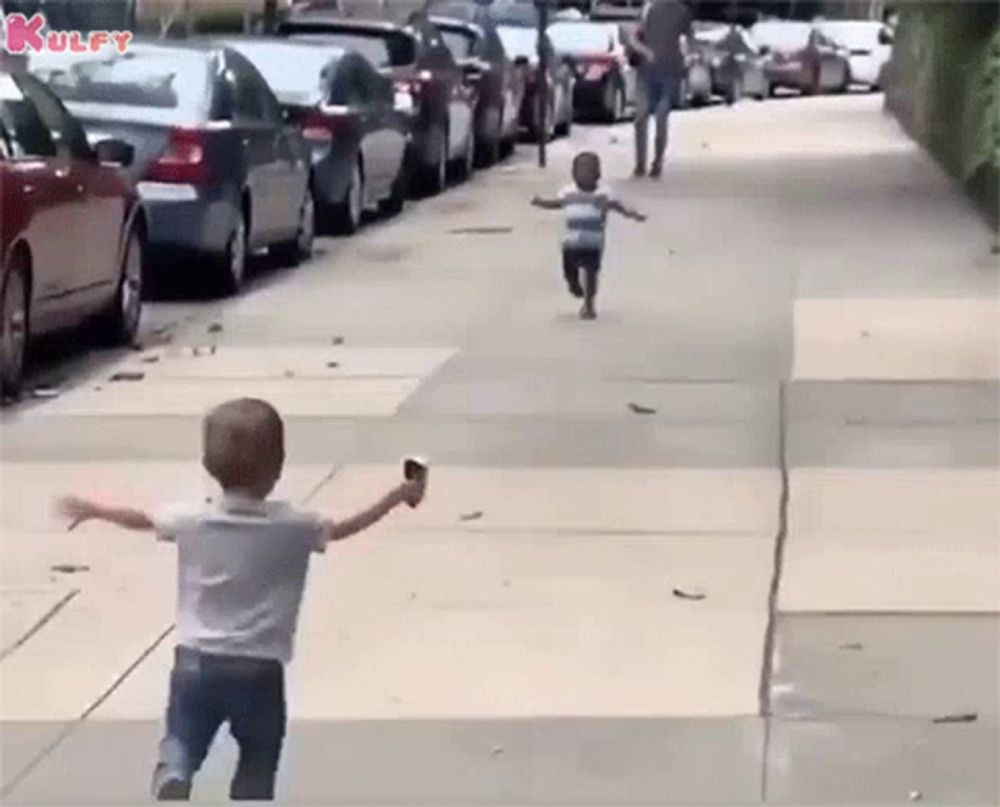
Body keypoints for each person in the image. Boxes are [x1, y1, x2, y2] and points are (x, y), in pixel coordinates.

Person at [55, 398, 428, 801]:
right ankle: (251, 792)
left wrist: (95, 510)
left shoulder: (192, 519)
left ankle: (176, 769)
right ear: (279, 465)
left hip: (197, 659)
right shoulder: (297, 526)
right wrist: (400, 494)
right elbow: (349, 525)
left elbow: (142, 519)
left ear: (208, 465)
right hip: (261, 665)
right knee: (260, 748)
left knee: (183, 730)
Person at [531, 151, 646, 321]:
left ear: (598, 174)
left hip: (593, 242)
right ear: (573, 173)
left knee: (591, 274)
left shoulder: (603, 194)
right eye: (580, 170)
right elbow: (557, 204)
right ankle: (573, 284)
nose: (584, 174)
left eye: (589, 170)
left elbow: (617, 206)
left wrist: (632, 214)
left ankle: (589, 305)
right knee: (569, 269)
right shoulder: (568, 192)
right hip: (571, 242)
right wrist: (541, 202)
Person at [628, 0, 693, 178]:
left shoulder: (681, 11)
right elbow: (633, 37)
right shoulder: (648, 7)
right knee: (641, 115)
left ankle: (657, 161)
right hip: (647, 72)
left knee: (661, 115)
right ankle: (640, 164)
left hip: (671, 72)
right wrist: (645, 51)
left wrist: (687, 56)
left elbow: (687, 38)